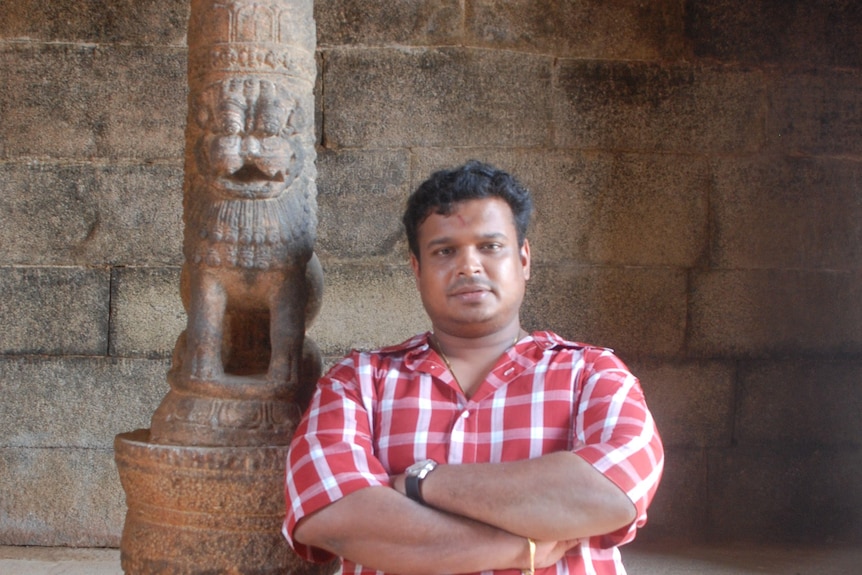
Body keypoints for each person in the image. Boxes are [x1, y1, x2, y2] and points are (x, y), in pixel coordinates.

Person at [283, 160, 664, 575]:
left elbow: (610, 496)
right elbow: (333, 518)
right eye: (445, 251)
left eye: (489, 246)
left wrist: (418, 483)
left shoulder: (592, 373)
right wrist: (523, 550)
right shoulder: (357, 381)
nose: (468, 266)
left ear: (523, 260)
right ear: (417, 270)